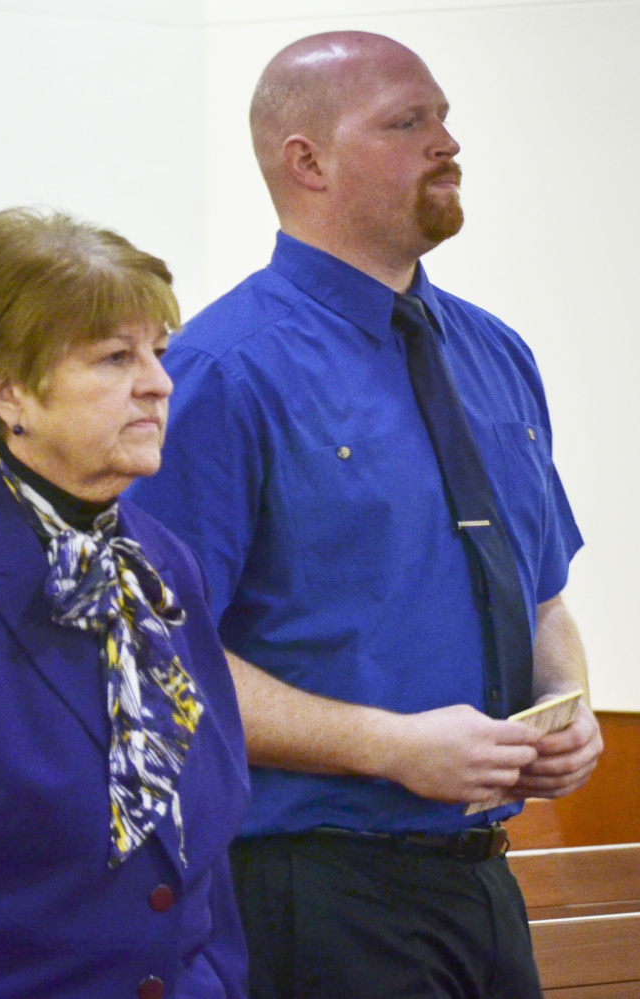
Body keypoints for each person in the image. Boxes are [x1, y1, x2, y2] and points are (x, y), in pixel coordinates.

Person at [128, 31, 603, 999]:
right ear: (306, 160)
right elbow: (162, 657)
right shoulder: (223, 374)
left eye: (445, 118)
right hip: (313, 885)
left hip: (480, 883)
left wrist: (573, 708)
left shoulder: (495, 354)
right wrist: (392, 746)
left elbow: (544, 595)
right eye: (407, 122)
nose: (447, 142)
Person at [0, 207, 249, 999]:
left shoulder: (160, 561)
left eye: (156, 351)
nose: (157, 383)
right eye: (115, 357)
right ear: (7, 389)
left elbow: (202, 846)